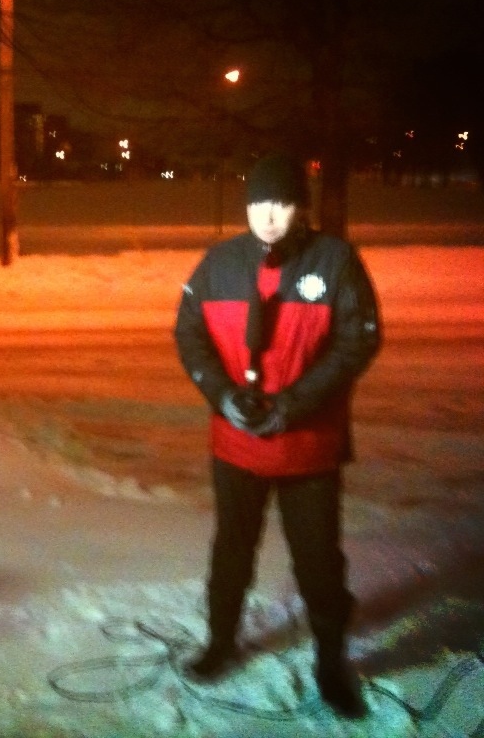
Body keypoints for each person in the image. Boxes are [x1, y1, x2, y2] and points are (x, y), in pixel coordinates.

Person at [173, 152, 381, 718]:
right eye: (259, 202)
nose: (268, 215)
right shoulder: (219, 263)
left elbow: (358, 340)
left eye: (283, 203)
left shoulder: (335, 261)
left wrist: (294, 405)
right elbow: (189, 333)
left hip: (307, 447)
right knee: (231, 550)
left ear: (301, 208)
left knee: (318, 561)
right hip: (236, 445)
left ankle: (331, 662)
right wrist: (221, 395)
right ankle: (220, 642)